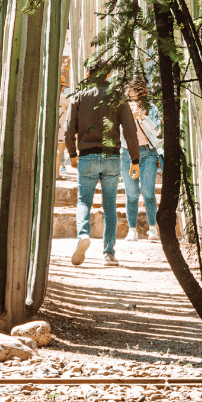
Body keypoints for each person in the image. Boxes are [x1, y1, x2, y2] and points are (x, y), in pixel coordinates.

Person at [65, 67, 141, 267]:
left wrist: (72, 154)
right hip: (111, 158)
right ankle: (108, 253)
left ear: (87, 75)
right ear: (108, 75)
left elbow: (68, 130)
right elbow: (130, 130)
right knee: (109, 206)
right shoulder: (118, 97)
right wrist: (135, 159)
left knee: (83, 202)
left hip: (87, 157)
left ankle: (83, 235)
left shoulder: (79, 96)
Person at [121, 80, 162, 241]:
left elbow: (158, 131)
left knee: (148, 192)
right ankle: (132, 229)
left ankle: (152, 228)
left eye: (138, 92)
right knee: (131, 194)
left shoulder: (152, 109)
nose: (134, 96)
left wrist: (144, 118)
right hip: (127, 154)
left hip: (148, 153)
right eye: (131, 93)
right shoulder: (123, 109)